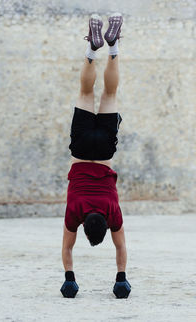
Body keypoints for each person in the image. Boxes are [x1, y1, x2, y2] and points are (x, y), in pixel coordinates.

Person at [61, 13, 130, 298]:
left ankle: (111, 47)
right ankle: (91, 49)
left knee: (110, 93)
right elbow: (66, 247)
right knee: (86, 91)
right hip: (80, 149)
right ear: (86, 229)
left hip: (103, 151)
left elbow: (121, 246)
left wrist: (122, 279)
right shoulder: (74, 211)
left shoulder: (113, 213)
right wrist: (68, 279)